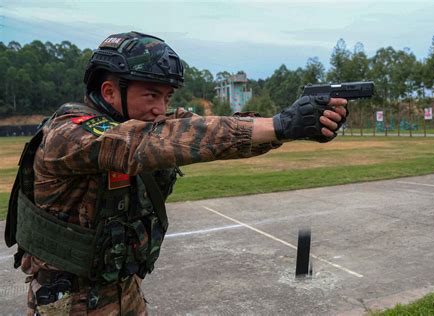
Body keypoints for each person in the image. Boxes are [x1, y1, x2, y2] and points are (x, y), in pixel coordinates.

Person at [5, 31, 347, 315]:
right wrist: (280, 125)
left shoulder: (145, 121)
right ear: (109, 91)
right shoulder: (70, 134)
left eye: (166, 97)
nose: (160, 109)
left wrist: (287, 128)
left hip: (125, 292)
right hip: (70, 304)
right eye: (151, 94)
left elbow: (203, 130)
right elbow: (145, 144)